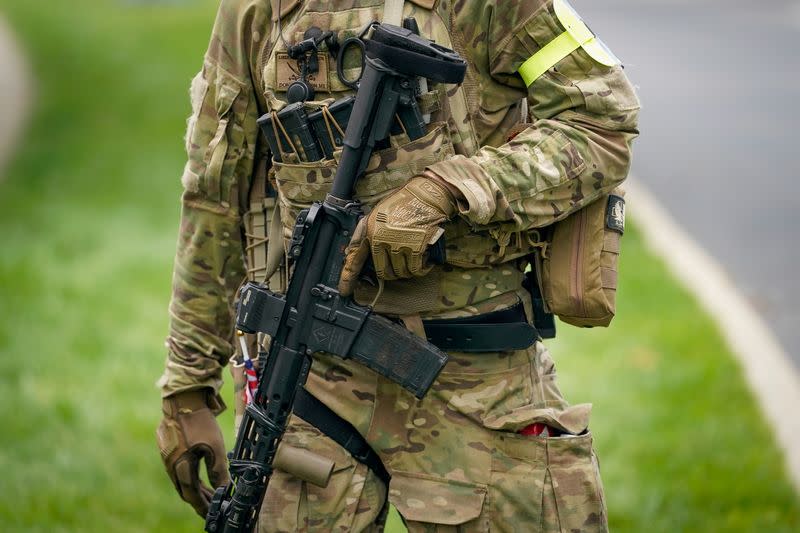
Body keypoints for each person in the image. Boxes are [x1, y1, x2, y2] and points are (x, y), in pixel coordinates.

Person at [156, 0, 640, 530]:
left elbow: (600, 119)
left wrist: (450, 190)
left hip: (475, 380)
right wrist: (187, 387)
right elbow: (214, 194)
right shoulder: (257, 9)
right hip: (307, 381)